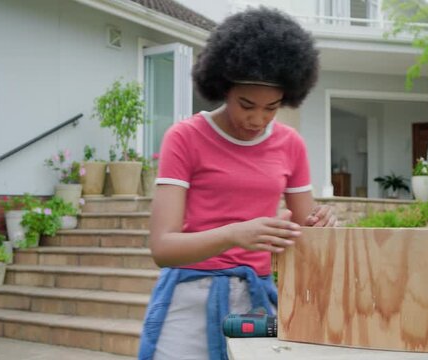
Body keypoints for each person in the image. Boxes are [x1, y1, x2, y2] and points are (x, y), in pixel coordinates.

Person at [138, 7, 336, 360]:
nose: (257, 119)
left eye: (271, 108)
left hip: (255, 301)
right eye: (246, 104)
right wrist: (234, 234)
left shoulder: (291, 144)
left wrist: (325, 225)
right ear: (223, 87)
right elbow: (162, 248)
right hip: (191, 296)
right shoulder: (185, 138)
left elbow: (307, 235)